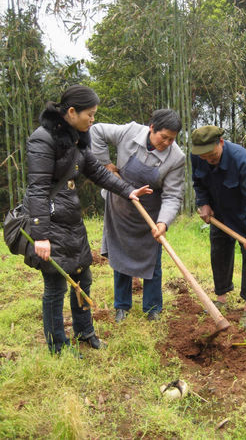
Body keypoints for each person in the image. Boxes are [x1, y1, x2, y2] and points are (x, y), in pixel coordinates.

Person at [22, 85, 152, 355]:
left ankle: (85, 332)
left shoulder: (78, 137)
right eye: (90, 114)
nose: (93, 120)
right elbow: (37, 189)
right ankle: (58, 345)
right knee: (56, 286)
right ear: (71, 112)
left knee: (83, 277)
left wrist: (128, 191)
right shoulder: (43, 139)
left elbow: (96, 171)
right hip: (50, 219)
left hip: (71, 217)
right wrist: (41, 236)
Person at [90, 109, 185, 322]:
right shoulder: (129, 132)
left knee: (152, 260)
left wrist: (163, 222)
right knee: (120, 255)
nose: (167, 143)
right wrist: (105, 165)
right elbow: (96, 131)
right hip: (120, 206)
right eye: (164, 137)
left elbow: (173, 195)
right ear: (152, 128)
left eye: (172, 139)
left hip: (149, 214)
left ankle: (153, 309)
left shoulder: (176, 158)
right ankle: (121, 307)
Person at [191, 125, 246, 329]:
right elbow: (198, 182)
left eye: (211, 155)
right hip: (219, 214)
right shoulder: (197, 156)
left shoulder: (242, 160)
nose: (207, 160)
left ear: (221, 143)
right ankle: (221, 297)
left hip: (243, 215)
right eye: (203, 157)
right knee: (219, 253)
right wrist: (203, 203)